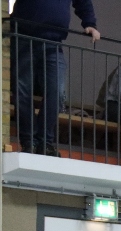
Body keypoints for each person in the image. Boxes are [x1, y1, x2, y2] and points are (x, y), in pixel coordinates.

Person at [11, 0, 100, 156]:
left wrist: (89, 23)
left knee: (56, 92)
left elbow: (83, 1)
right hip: (24, 37)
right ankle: (30, 141)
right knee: (23, 91)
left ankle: (44, 142)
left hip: (52, 41)